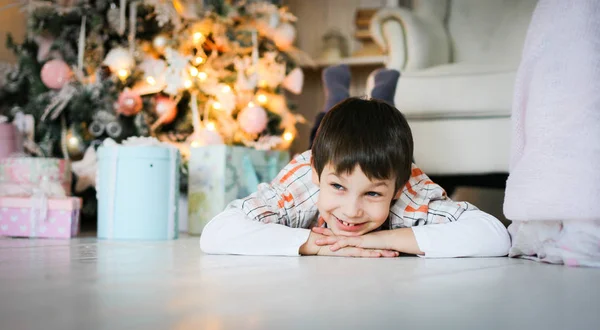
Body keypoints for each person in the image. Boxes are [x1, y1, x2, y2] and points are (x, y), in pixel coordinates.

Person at [200, 65, 510, 258]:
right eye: (337, 186)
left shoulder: (413, 190)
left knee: (379, 136)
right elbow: (216, 232)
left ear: (399, 189)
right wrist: (313, 243)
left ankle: (384, 97)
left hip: (375, 168)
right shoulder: (302, 181)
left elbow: (494, 235)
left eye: (373, 193)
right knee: (323, 128)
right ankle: (336, 93)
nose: (351, 211)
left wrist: (377, 239)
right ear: (317, 176)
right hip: (321, 156)